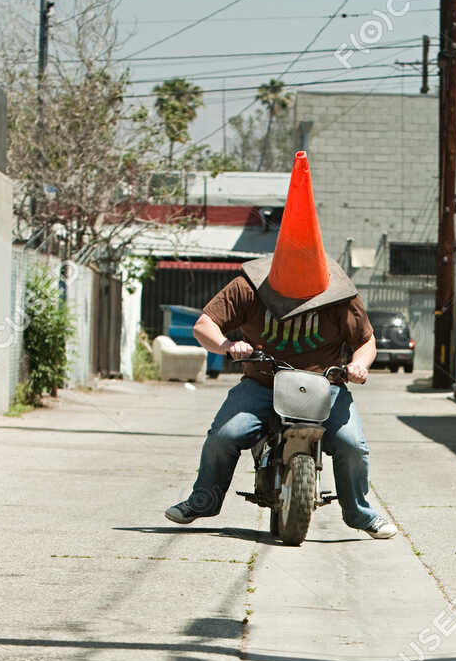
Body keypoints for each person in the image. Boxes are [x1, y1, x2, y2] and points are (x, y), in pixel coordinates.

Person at [165, 152, 397, 540]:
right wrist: (226, 345)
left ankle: (360, 513)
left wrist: (359, 365)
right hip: (262, 383)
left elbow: (366, 341)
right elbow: (205, 324)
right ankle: (202, 501)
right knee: (224, 436)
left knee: (352, 446)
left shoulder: (341, 295)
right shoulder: (248, 285)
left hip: (325, 385)